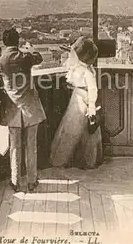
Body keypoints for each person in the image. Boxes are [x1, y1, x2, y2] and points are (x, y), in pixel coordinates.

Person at [0, 28, 46, 192]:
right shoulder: (24, 57)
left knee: (14, 146)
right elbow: (39, 58)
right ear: (17, 41)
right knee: (31, 145)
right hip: (30, 106)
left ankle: (15, 181)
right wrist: (30, 50)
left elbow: (0, 79)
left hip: (11, 107)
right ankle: (32, 181)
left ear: (4, 42)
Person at [49, 36, 103, 169]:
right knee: (83, 132)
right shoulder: (86, 69)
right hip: (80, 97)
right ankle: (86, 160)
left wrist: (91, 107)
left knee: (72, 130)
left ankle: (63, 159)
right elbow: (91, 89)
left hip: (79, 98)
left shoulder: (81, 69)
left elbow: (91, 89)